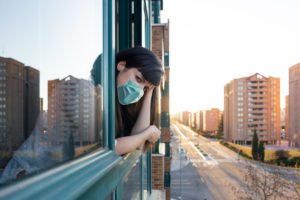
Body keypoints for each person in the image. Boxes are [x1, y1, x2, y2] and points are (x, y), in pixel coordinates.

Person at [113, 47, 164, 155]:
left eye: (144, 88)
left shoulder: (125, 107)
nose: (139, 90)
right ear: (121, 65)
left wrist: (149, 92)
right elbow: (111, 148)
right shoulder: (97, 95)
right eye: (138, 79)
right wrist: (147, 134)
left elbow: (137, 144)